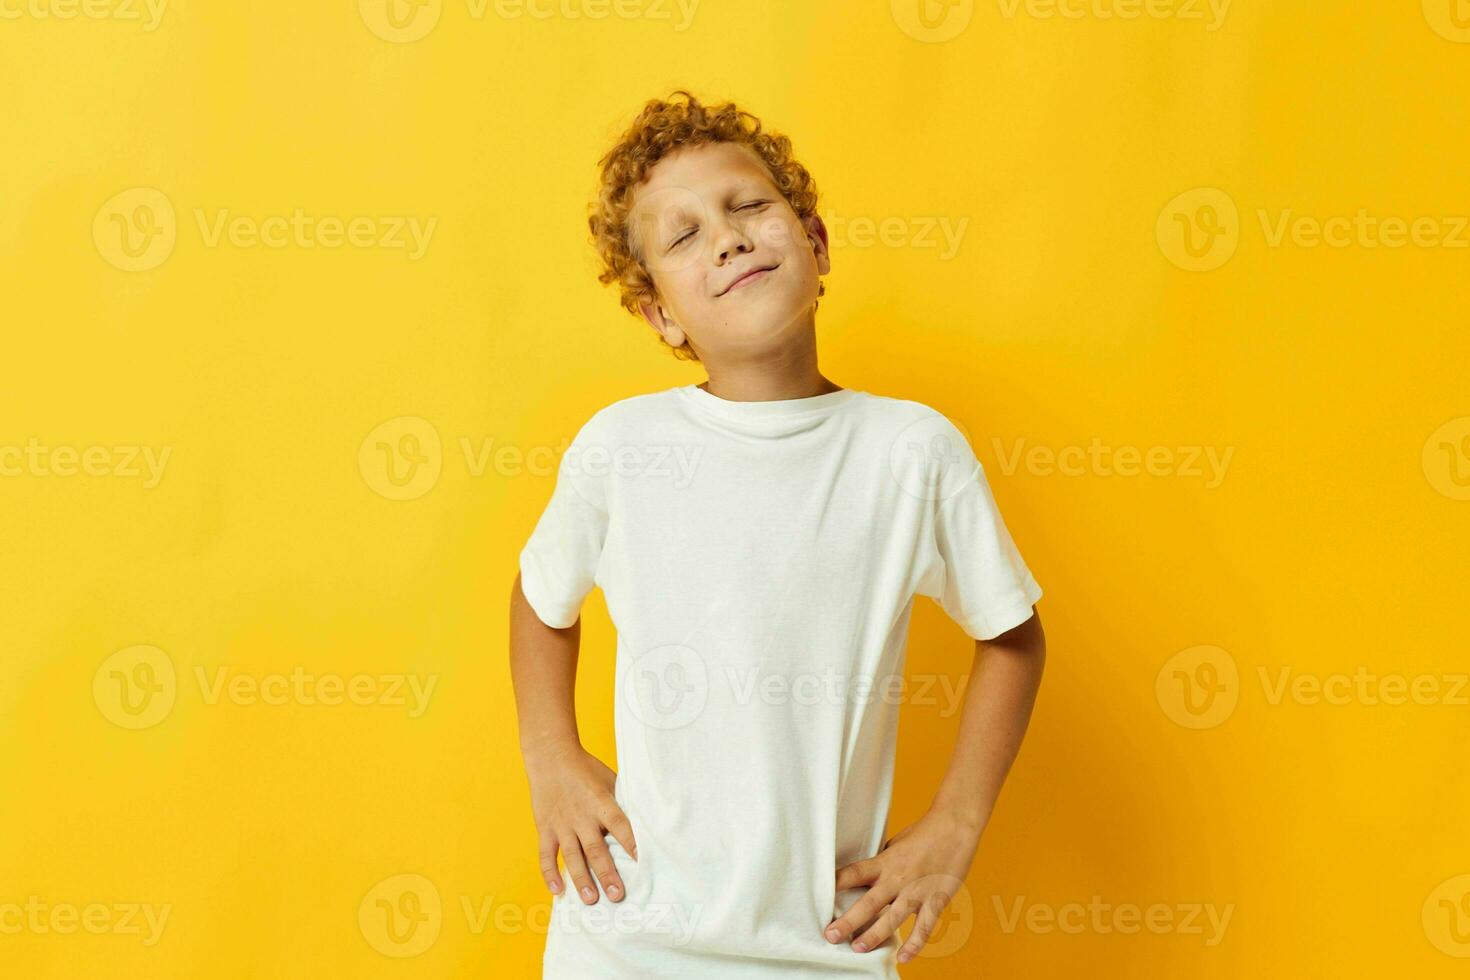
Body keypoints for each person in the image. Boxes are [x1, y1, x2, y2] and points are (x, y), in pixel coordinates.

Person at [511, 89, 1047, 978]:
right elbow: (540, 602)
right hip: (626, 937)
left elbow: (1014, 637)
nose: (725, 237)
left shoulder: (910, 453)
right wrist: (551, 757)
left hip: (823, 947)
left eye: (748, 206)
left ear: (817, 245)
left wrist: (955, 825)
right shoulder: (622, 449)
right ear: (661, 316)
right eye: (682, 236)